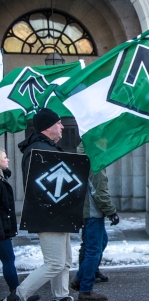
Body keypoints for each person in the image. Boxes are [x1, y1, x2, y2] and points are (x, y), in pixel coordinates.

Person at [7, 108, 72, 301]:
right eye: (59, 122)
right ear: (47, 127)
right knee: (54, 263)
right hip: (50, 215)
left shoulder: (45, 148)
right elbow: (42, 188)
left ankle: (61, 296)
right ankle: (18, 296)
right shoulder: (39, 150)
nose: (62, 126)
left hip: (59, 213)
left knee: (65, 262)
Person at [69, 143, 119, 301]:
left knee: (98, 242)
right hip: (92, 212)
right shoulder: (94, 161)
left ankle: (80, 278)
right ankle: (85, 289)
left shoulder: (83, 156)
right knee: (93, 249)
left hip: (87, 209)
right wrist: (111, 212)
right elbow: (100, 191)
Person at [1, 149, 40, 301]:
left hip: (3, 227)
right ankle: (17, 295)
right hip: (1, 230)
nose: (8, 160)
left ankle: (17, 294)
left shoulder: (3, 177)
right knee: (9, 260)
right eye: (4, 157)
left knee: (8, 260)